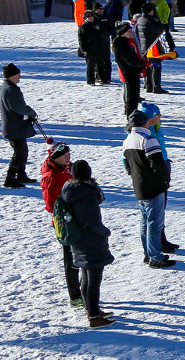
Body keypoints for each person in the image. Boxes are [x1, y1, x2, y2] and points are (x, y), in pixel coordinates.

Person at [56, 159, 116, 327]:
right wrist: (106, 232)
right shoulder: (88, 194)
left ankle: (91, 310)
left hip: (77, 240)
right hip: (92, 241)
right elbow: (94, 222)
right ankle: (94, 317)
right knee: (94, 280)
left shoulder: (68, 190)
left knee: (85, 276)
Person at [122, 108, 175, 267]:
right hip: (153, 187)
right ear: (145, 122)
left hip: (139, 187)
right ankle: (155, 257)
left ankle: (148, 253)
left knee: (145, 222)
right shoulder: (148, 139)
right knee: (155, 224)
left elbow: (128, 165)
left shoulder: (128, 140)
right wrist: (164, 181)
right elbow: (157, 165)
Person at [41, 142, 82, 306]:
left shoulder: (66, 167)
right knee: (71, 259)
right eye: (64, 155)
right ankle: (75, 296)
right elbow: (51, 205)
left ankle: (83, 290)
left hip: (78, 216)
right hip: (65, 222)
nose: (68, 157)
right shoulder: (51, 177)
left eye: (68, 153)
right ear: (55, 158)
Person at [3, 63, 48, 188]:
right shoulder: (10, 89)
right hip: (14, 127)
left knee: (23, 151)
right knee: (20, 153)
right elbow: (18, 107)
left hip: (14, 126)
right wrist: (31, 112)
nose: (20, 76)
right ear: (12, 76)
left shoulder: (8, 87)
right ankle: (10, 178)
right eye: (18, 74)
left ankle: (20, 175)